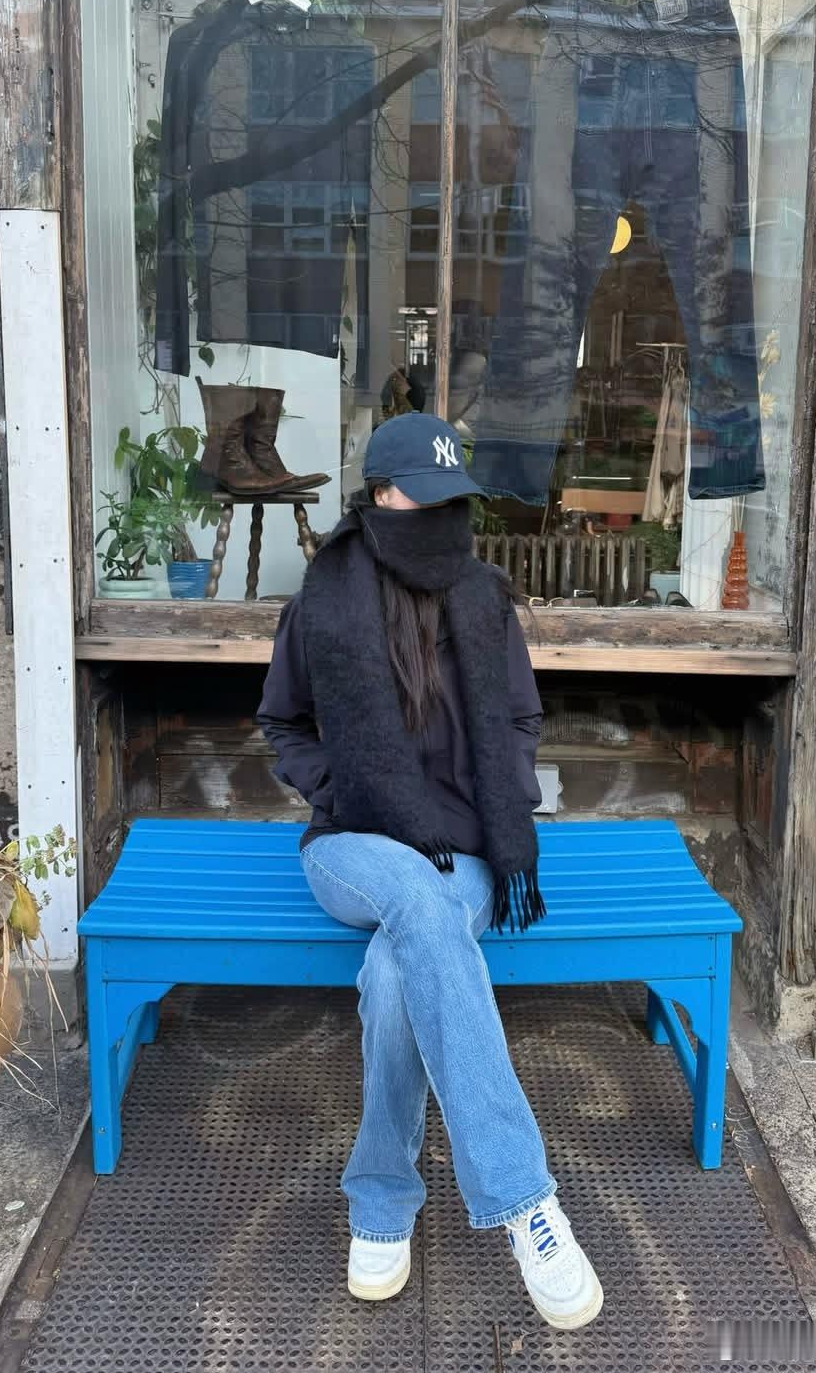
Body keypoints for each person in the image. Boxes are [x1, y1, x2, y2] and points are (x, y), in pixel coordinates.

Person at [257, 413, 604, 1331]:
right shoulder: (324, 600)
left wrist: (504, 798)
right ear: (380, 495)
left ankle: (379, 1205)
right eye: (427, 495)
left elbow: (520, 719)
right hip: (351, 846)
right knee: (412, 895)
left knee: (396, 970)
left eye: (457, 497)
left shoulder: (484, 599)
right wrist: (342, 787)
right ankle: (527, 1202)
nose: (446, 513)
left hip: (465, 859)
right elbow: (282, 722)